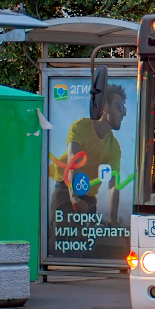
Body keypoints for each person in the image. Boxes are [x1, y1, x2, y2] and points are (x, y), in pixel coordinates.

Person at [48, 83, 127, 228]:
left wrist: (113, 218)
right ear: (104, 107)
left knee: (88, 243)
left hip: (89, 196)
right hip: (66, 188)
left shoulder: (114, 147)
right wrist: (74, 197)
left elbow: (113, 184)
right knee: (61, 237)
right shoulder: (80, 127)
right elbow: (74, 161)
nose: (124, 113)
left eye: (124, 108)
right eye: (119, 107)